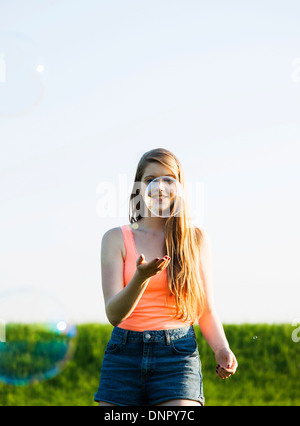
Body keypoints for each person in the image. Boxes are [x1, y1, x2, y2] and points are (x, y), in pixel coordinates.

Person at [94, 148, 238, 406]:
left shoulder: (194, 240)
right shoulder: (116, 238)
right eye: (151, 180)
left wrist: (221, 349)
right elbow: (114, 315)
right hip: (124, 355)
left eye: (168, 179)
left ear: (179, 188)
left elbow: (205, 310)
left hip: (177, 357)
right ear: (138, 188)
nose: (159, 187)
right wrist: (140, 278)